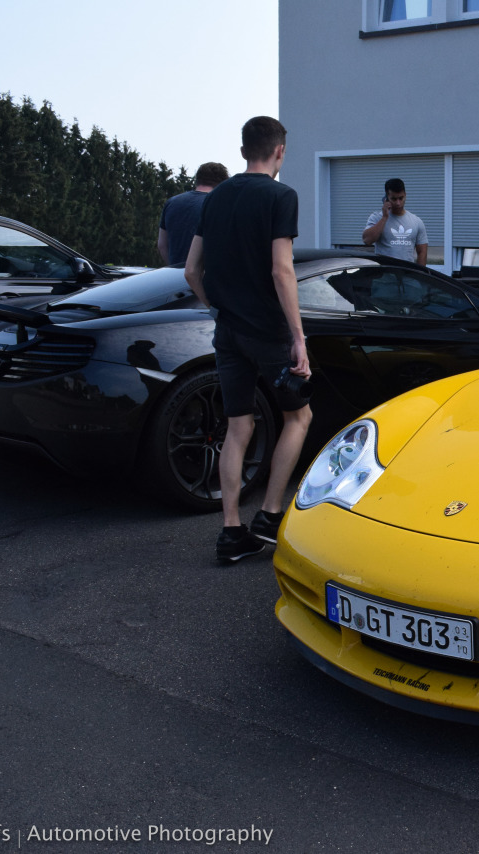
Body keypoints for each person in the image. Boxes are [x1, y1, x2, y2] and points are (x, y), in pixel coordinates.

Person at [184, 117, 312, 564]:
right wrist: (298, 338)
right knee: (299, 417)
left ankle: (231, 531)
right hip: (269, 332)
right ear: (279, 151)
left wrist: (217, 307)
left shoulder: (215, 197)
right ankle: (270, 516)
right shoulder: (281, 195)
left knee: (238, 427)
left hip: (228, 332)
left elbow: (190, 271)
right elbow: (282, 270)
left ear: (243, 151)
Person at [157, 161, 229, 265]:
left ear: (198, 179)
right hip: (204, 276)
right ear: (222, 184)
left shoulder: (171, 202)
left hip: (175, 275)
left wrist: (174, 267)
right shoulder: (218, 205)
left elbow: (162, 244)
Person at [361, 177, 428, 265]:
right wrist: (384, 217)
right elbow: (367, 240)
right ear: (386, 198)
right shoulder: (376, 217)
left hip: (407, 274)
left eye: (401, 198)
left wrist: (420, 275)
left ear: (405, 195)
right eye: (394, 199)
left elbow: (422, 252)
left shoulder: (416, 221)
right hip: (384, 275)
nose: (398, 203)